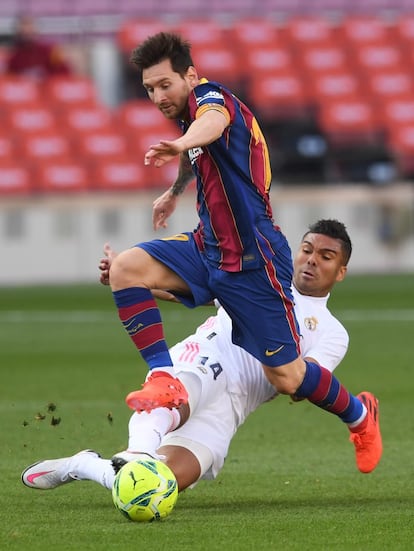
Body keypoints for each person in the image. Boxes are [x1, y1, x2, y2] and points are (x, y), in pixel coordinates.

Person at [103, 32, 380, 473]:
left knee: (287, 377)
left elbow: (207, 126)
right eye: (149, 89)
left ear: (190, 76)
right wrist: (175, 191)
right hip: (208, 243)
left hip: (254, 258)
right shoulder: (187, 117)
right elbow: (196, 145)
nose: (157, 96)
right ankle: (165, 378)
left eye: (164, 85)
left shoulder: (212, 98)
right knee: (126, 269)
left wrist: (178, 144)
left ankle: (361, 417)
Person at [21, 220, 382, 494]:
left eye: (326, 256)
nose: (312, 260)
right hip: (208, 358)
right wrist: (128, 273)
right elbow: (185, 291)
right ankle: (135, 451)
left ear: (341, 271)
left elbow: (304, 383)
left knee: (157, 486)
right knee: (168, 399)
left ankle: (85, 465)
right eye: (307, 249)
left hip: (233, 408)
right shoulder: (264, 278)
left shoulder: (334, 333)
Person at [6, 15, 72, 79]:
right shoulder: (15, 57)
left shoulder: (51, 51)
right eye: (23, 30)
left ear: (35, 30)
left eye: (29, 28)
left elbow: (66, 75)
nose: (26, 32)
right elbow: (10, 79)